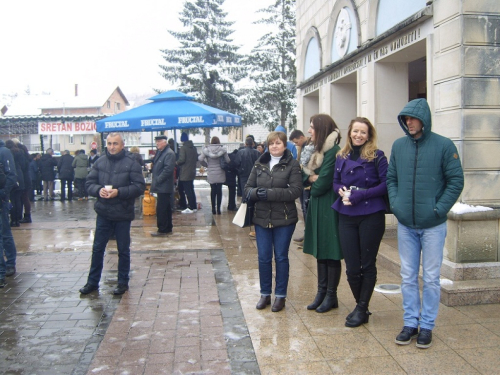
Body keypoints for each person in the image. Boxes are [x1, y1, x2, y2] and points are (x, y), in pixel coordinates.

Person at [388, 98, 464, 349]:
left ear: (424, 119)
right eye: (405, 119)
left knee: (431, 278)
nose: (408, 122)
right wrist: (396, 205)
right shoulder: (399, 146)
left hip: (433, 225)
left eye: (412, 118)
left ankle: (427, 326)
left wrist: (438, 209)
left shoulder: (443, 145)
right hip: (406, 225)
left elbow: (455, 181)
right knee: (408, 276)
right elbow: (392, 179)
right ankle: (410, 322)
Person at [333, 117, 388, 327]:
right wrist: (340, 191)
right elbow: (335, 181)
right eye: (355, 131)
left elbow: (385, 185)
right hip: (346, 214)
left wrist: (360, 195)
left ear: (369, 135)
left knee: (367, 263)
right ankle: (360, 306)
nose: (358, 135)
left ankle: (362, 307)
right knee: (352, 267)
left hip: (370, 214)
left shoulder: (378, 156)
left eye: (363, 132)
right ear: (349, 133)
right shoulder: (342, 155)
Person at [79, 133, 145, 295]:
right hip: (104, 212)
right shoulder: (100, 161)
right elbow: (89, 183)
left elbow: (139, 187)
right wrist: (97, 190)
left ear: (122, 145)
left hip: (122, 213)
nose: (112, 147)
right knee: (97, 249)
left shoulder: (131, 163)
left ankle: (122, 282)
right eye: (109, 143)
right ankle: (92, 282)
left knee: (123, 250)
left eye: (115, 144)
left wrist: (119, 192)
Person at [244, 131, 302, 312]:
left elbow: (295, 191)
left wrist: (268, 193)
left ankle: (281, 296)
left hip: (284, 218)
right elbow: (247, 188)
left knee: (281, 257)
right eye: (271, 144)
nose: (274, 146)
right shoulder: (259, 163)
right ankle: (265, 294)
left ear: (285, 145)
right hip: (261, 218)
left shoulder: (292, 165)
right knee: (263, 257)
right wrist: (255, 193)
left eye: (278, 143)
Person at [302, 114, 343, 313]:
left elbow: (321, 184)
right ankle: (321, 292)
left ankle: (331, 295)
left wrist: (312, 181)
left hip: (329, 206)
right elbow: (304, 177)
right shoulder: (318, 151)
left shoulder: (334, 151)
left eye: (312, 127)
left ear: (321, 129)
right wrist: (311, 179)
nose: (309, 131)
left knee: (330, 251)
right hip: (318, 206)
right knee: (320, 251)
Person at [289, 129, 313, 245]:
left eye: (296, 141)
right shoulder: (302, 148)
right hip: (302, 182)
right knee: (304, 209)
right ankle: (306, 234)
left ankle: (309, 237)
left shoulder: (310, 147)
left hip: (308, 183)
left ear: (301, 137)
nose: (295, 144)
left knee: (307, 209)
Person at [0, 139, 18, 286]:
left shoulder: (4, 152)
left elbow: (12, 175)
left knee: (5, 231)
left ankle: (10, 262)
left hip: (2, 200)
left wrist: (3, 193)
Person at [150, 135, 176, 236]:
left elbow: (168, 170)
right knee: (165, 207)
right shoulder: (161, 152)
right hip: (161, 185)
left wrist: (158, 180)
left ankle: (163, 229)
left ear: (164, 142)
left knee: (162, 208)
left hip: (164, 186)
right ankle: (167, 227)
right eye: (156, 141)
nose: (157, 143)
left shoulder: (169, 153)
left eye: (159, 141)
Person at [199, 137, 230, 215]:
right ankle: (218, 209)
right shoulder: (222, 149)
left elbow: (200, 159)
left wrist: (206, 165)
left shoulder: (207, 150)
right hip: (220, 172)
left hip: (211, 172)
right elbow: (228, 160)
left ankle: (213, 209)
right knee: (219, 190)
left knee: (213, 190)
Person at [176, 132, 198, 213]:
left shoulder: (183, 148)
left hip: (185, 171)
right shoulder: (194, 148)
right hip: (192, 171)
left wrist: (176, 162)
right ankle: (193, 206)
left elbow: (182, 160)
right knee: (191, 189)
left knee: (186, 190)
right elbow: (196, 158)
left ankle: (190, 206)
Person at [5, 140, 25, 227]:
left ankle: (13, 220)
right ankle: (18, 219)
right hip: (20, 176)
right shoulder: (20, 152)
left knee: (12, 199)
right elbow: (24, 164)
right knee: (18, 199)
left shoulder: (7, 153)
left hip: (11, 176)